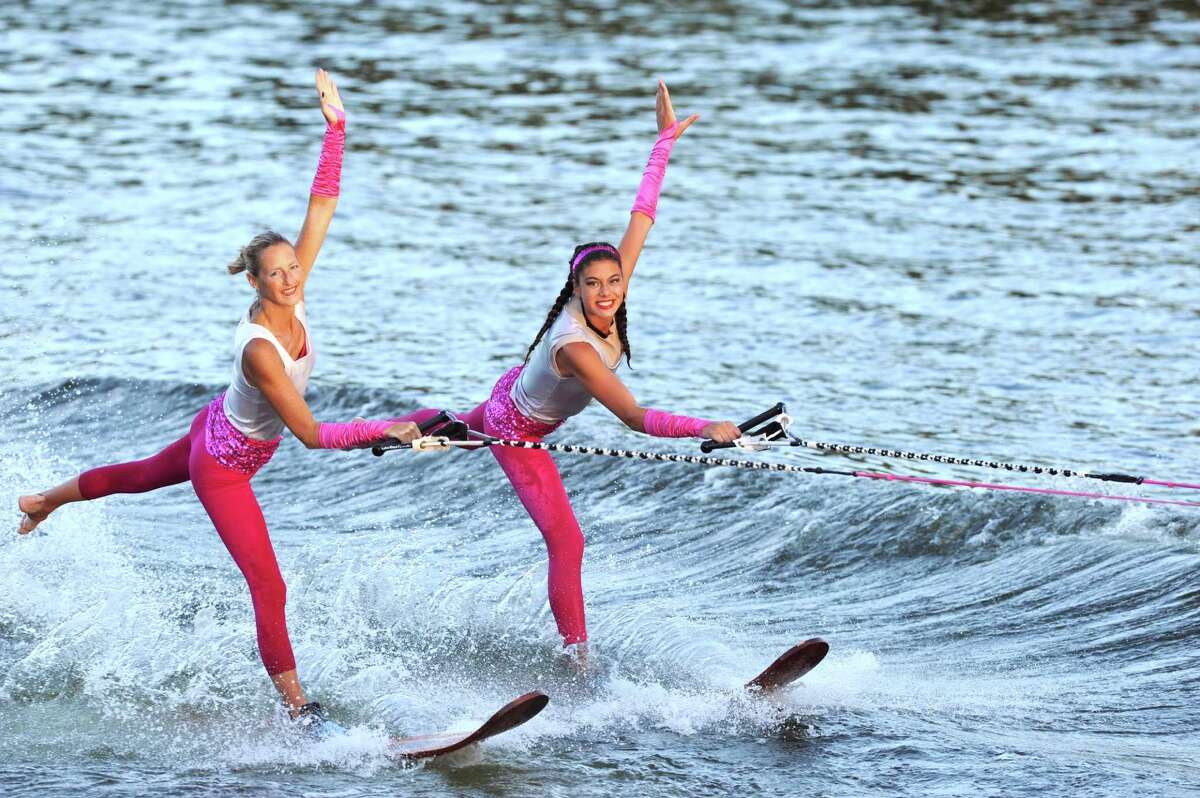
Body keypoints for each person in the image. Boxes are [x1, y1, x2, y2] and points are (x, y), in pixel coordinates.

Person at [15, 70, 418, 733]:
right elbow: (313, 435)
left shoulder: (295, 288)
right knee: (270, 585)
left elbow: (321, 209)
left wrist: (337, 131)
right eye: (276, 273)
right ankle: (298, 711)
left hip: (218, 427)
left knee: (138, 476)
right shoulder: (260, 349)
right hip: (223, 466)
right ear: (254, 282)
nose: (291, 280)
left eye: (295, 269)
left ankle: (41, 500)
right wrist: (388, 428)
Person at [398, 81, 741, 671]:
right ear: (575, 289)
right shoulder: (576, 347)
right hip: (518, 426)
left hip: (515, 386)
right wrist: (704, 425)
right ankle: (576, 659)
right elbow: (634, 417)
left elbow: (642, 218)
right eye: (594, 286)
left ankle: (382, 431)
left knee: (450, 427)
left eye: (614, 282)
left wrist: (662, 144)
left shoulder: (608, 291)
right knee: (568, 541)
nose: (608, 294)